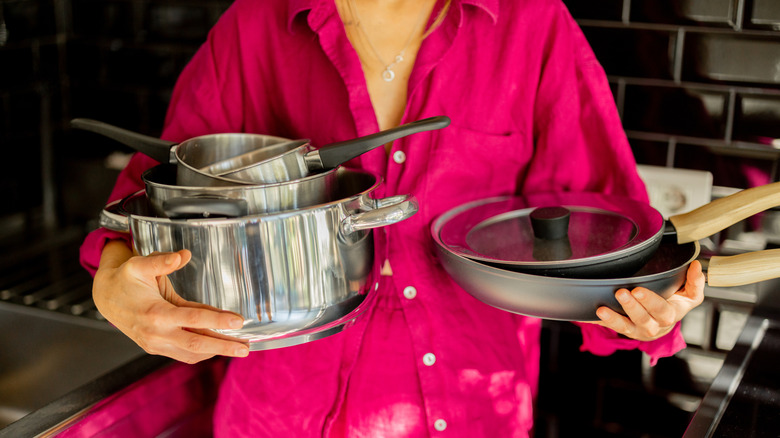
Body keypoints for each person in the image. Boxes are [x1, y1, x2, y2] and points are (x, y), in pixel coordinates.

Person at [80, 0, 705, 436]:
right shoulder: (254, 25)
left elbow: (605, 230)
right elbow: (141, 209)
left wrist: (644, 309)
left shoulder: (533, 23)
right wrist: (115, 283)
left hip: (473, 417)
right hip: (278, 416)